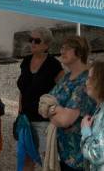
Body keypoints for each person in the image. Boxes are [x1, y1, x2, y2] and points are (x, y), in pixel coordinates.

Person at [46, 35, 97, 171]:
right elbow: (44, 104)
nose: (62, 51)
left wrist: (52, 110)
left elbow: (64, 120)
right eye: (62, 47)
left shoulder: (85, 82)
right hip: (64, 153)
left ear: (79, 52)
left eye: (67, 48)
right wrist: (56, 110)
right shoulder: (66, 78)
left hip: (80, 157)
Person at [17, 27, 63, 171]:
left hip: (44, 121)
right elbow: (22, 89)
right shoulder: (26, 61)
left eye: (37, 41)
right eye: (31, 40)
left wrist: (54, 111)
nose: (32, 43)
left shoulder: (53, 64)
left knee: (47, 161)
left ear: (46, 45)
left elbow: (63, 90)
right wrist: (19, 110)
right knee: (25, 160)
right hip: (25, 119)